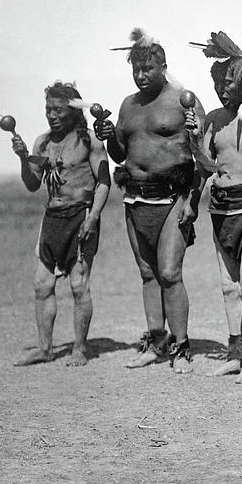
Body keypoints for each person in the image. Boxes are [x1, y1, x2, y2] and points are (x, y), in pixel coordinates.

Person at [95, 28, 202, 374]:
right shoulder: (128, 105)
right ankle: (156, 343)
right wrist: (110, 138)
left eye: (148, 70)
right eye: (136, 71)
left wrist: (192, 201)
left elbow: (201, 154)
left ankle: (181, 346)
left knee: (170, 273)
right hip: (134, 198)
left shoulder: (183, 99)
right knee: (148, 274)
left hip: (172, 198)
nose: (141, 76)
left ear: (163, 66)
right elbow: (121, 154)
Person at [186, 32, 242, 384]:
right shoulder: (213, 120)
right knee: (228, 287)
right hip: (220, 209)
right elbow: (207, 166)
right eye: (219, 83)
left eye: (230, 83)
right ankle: (234, 354)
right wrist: (194, 141)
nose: (224, 90)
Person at [10, 81, 110, 367]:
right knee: (41, 286)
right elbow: (32, 184)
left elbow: (104, 182)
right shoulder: (42, 142)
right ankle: (45, 349)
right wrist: (21, 157)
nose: (52, 116)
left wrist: (93, 218)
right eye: (48, 110)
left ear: (73, 111)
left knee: (79, 286)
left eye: (58, 110)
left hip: (81, 216)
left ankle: (79, 349)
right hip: (51, 218)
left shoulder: (89, 140)